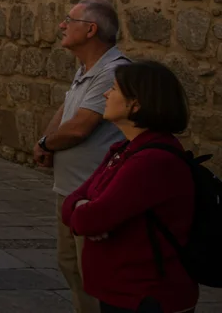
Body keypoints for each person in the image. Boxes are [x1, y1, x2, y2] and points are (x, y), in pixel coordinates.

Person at [61, 61, 197, 313]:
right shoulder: (124, 149)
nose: (105, 94)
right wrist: (83, 206)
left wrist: (87, 211)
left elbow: (91, 220)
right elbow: (72, 201)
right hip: (122, 292)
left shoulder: (152, 161)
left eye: (113, 89)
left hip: (146, 296)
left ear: (135, 104)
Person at [35, 0, 129, 313]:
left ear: (91, 29)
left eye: (68, 20)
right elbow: (66, 110)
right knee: (71, 266)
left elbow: (80, 127)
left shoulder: (114, 71)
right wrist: (44, 142)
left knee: (93, 274)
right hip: (70, 191)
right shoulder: (87, 69)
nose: (62, 25)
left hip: (94, 194)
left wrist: (48, 145)